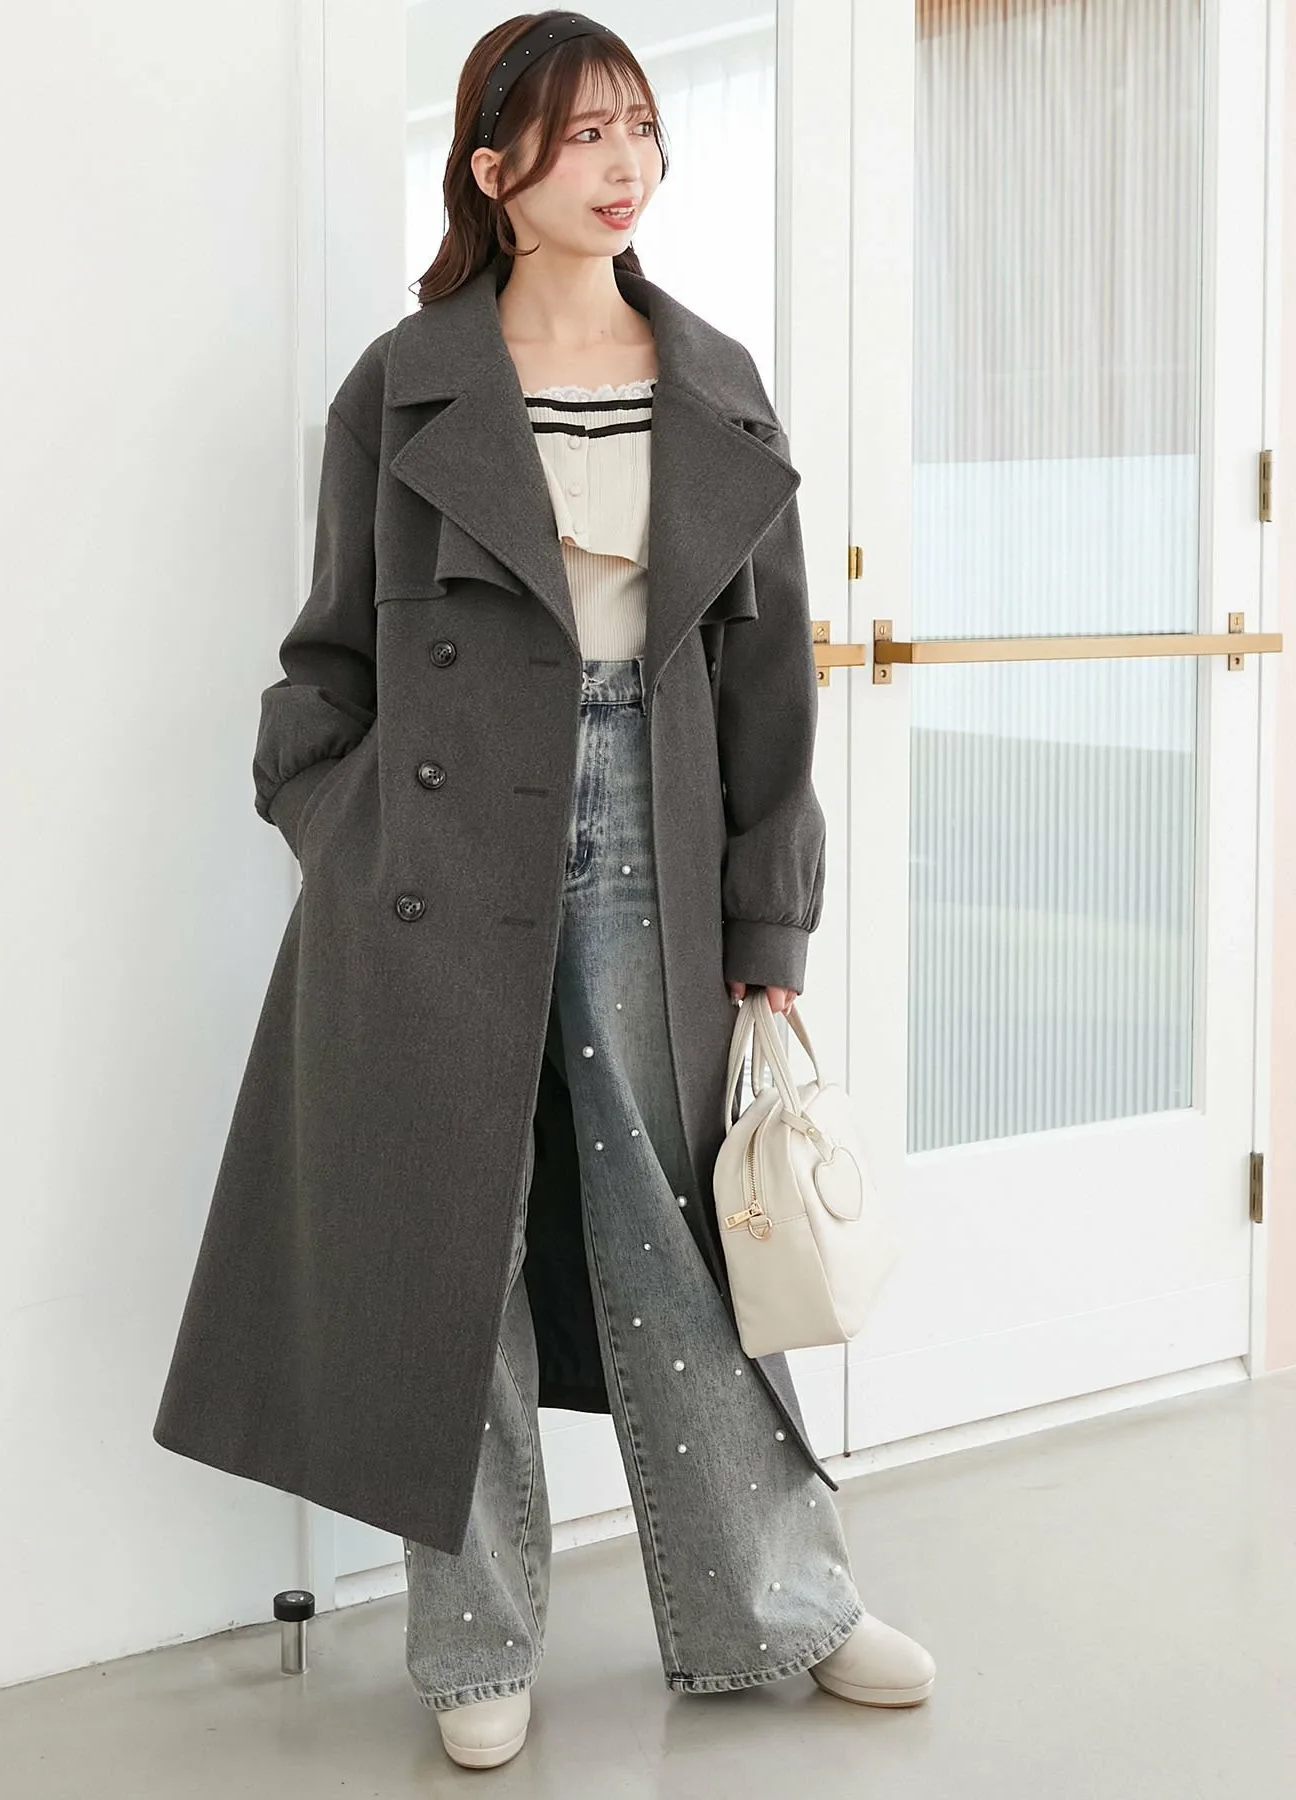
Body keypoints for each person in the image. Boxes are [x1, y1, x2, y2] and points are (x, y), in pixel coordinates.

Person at [152, 10, 934, 1773]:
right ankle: (472, 1645)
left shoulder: (714, 378)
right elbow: (327, 661)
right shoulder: (404, 384)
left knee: (684, 1239)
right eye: (583, 134)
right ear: (493, 166)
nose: (624, 162)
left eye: (640, 126)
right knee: (459, 1246)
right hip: (434, 863)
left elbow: (771, 687)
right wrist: (343, 828)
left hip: (654, 818)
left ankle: (782, 1605)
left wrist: (767, 918)